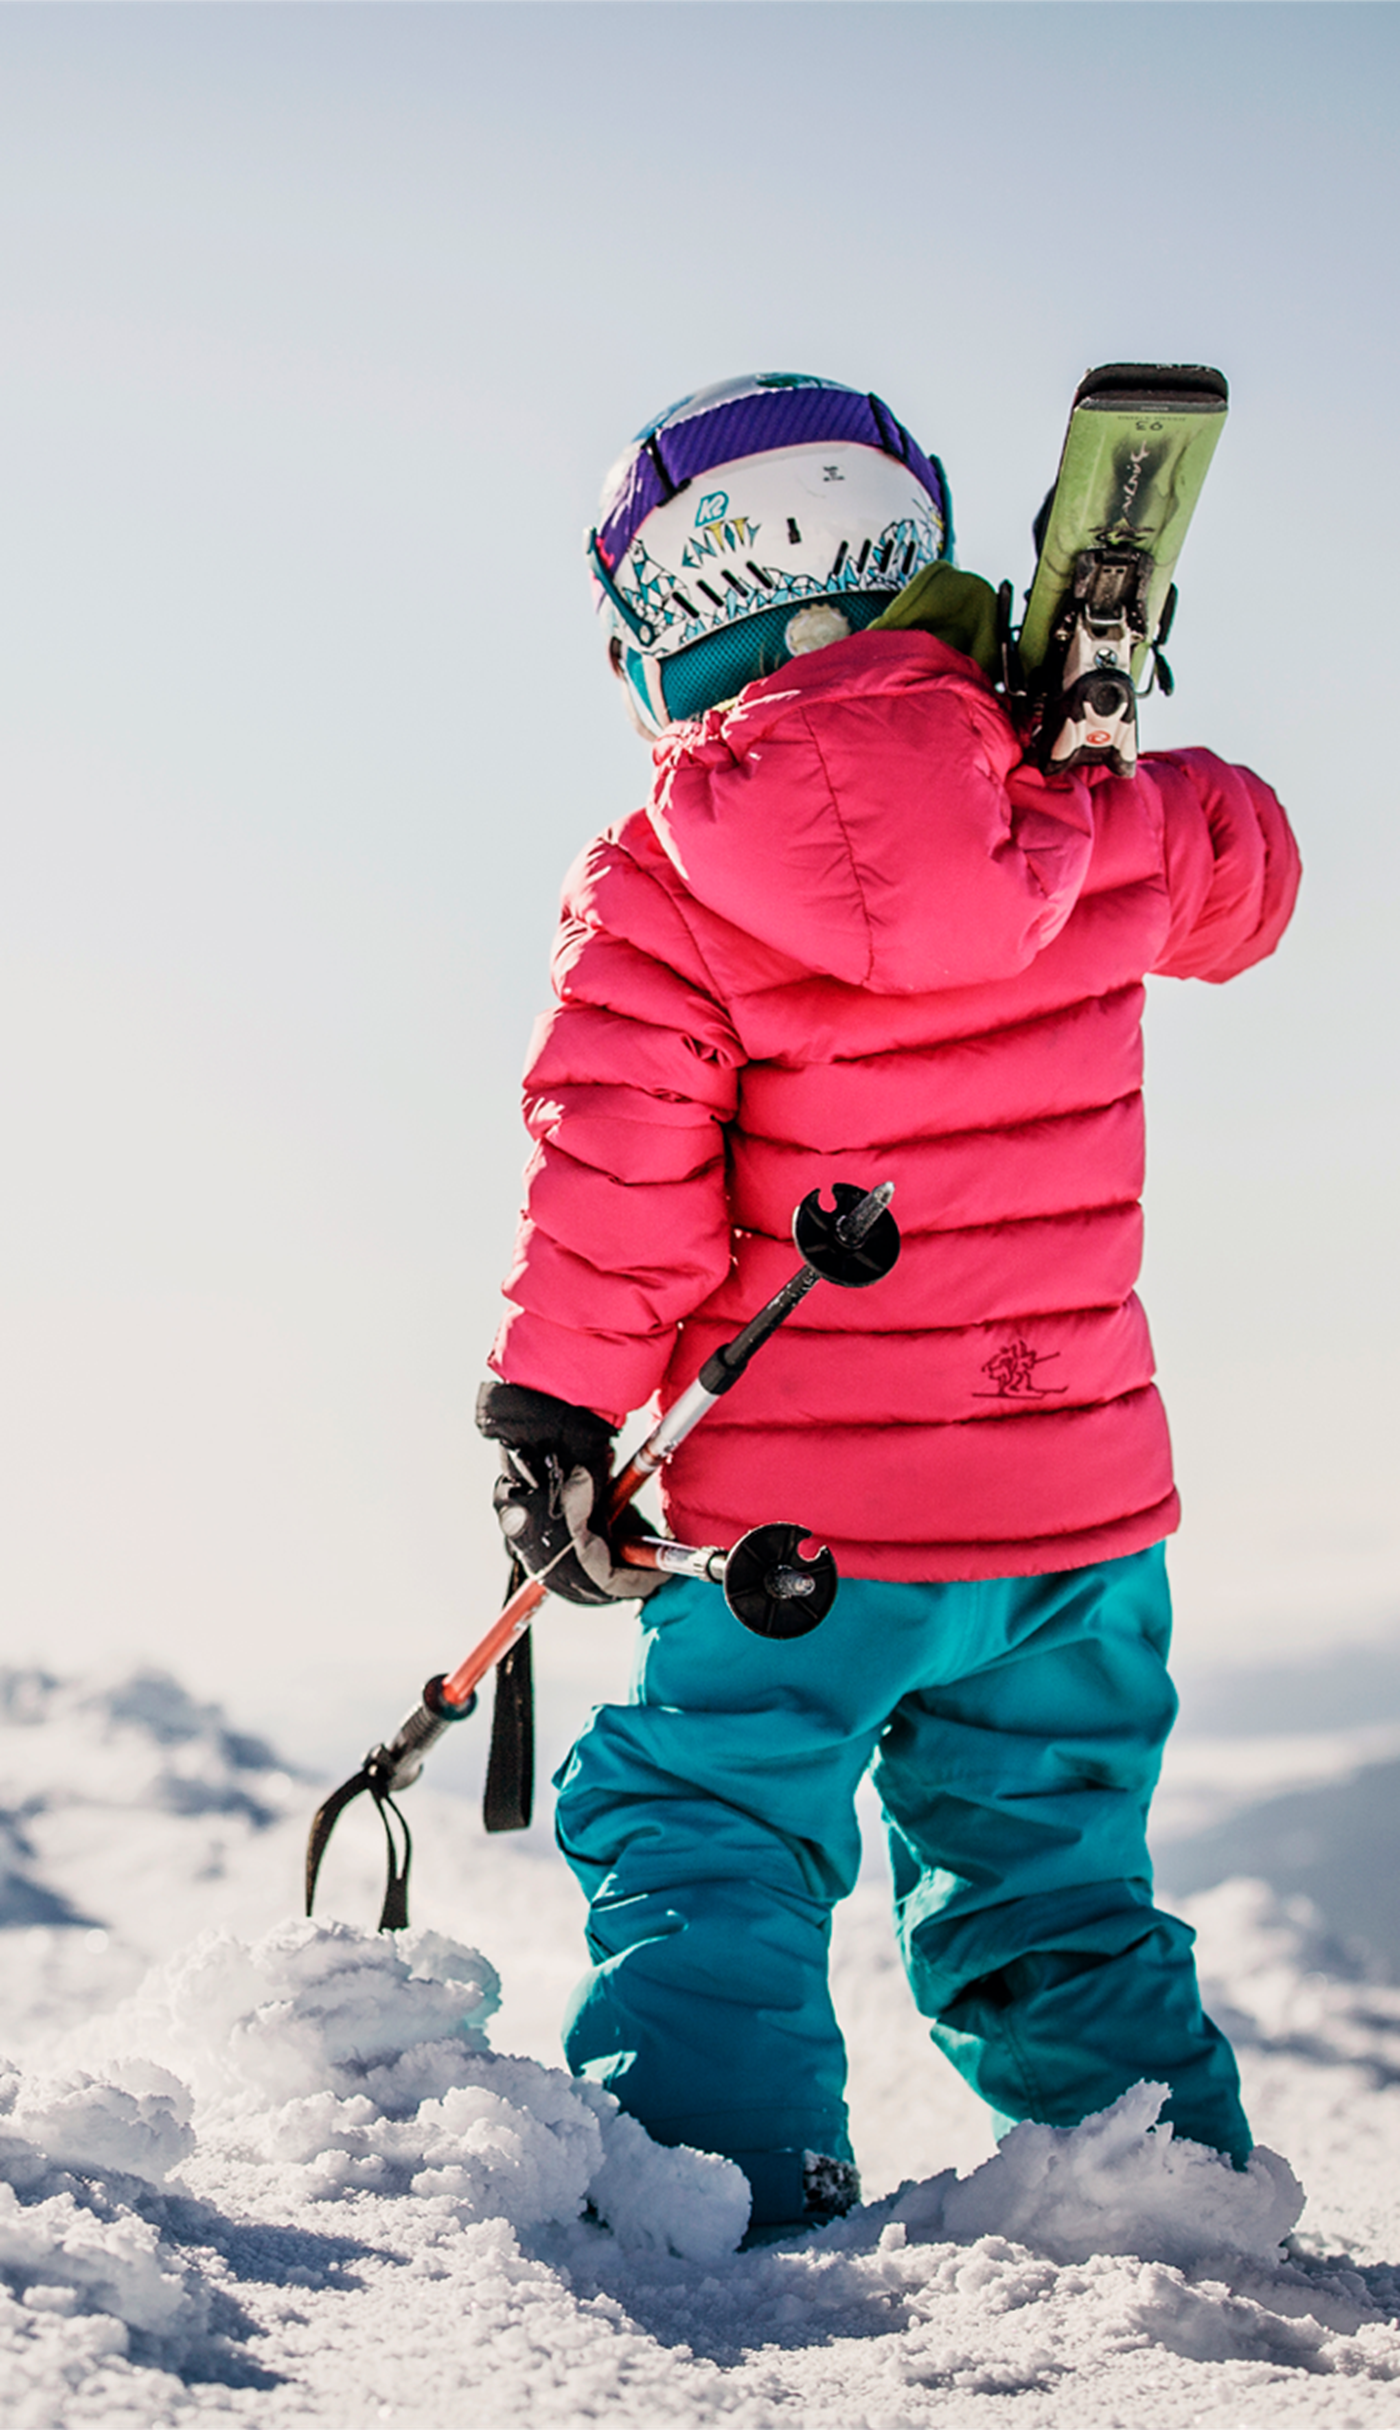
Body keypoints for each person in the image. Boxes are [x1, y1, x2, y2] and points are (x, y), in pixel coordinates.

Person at [476, 373, 1301, 2235]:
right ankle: (1181, 2206)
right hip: (1081, 1516)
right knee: (1052, 1887)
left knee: (711, 1825)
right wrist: (1111, 751)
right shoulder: (1086, 812)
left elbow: (620, 1192)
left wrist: (552, 1420)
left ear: (661, 638)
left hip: (813, 1534)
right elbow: (1257, 882)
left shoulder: (662, 882)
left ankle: (727, 2195)